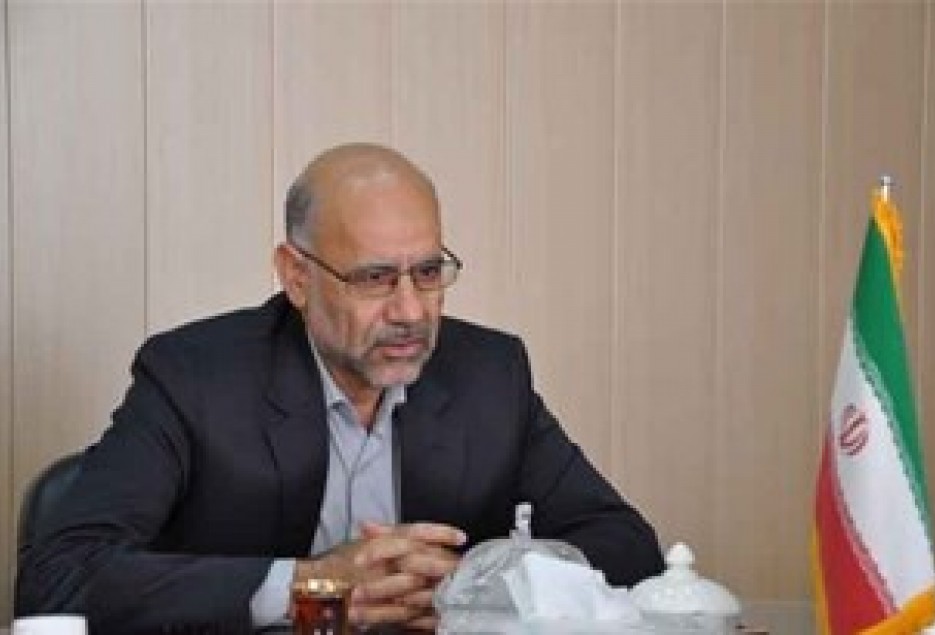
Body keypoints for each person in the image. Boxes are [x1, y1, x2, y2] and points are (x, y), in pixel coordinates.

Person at [15, 143, 663, 633]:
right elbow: (58, 575)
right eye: (375, 278)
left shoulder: (488, 374)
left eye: (428, 272)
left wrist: (474, 585)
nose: (410, 311)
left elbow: (627, 545)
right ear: (297, 276)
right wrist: (311, 584)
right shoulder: (194, 376)